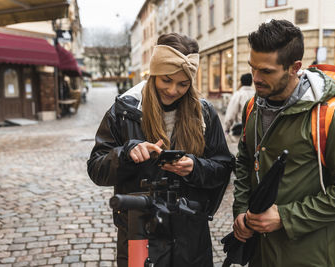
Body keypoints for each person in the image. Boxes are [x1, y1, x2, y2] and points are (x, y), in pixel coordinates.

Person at [232, 19, 335, 266]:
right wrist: (241, 210)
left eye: (266, 71)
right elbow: (244, 160)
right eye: (252, 68)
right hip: (260, 253)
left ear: (294, 67)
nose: (256, 78)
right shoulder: (252, 106)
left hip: (309, 254)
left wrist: (286, 217)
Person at [87, 33, 233, 267]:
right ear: (154, 73)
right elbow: (96, 168)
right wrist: (127, 153)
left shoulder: (204, 113)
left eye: (183, 83)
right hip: (140, 234)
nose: (173, 90)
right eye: (166, 80)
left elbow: (223, 167)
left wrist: (195, 167)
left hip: (190, 237)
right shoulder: (124, 110)